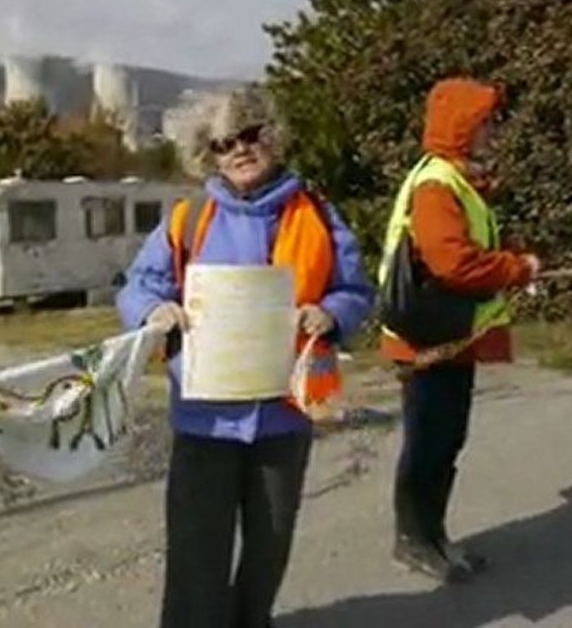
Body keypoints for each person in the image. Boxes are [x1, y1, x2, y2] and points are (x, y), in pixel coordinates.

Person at [117, 117, 374, 628]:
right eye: (223, 143)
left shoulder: (318, 213)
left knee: (269, 546)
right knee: (196, 552)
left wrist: (332, 314)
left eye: (251, 135)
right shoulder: (189, 217)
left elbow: (355, 290)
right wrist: (152, 311)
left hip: (287, 413)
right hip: (204, 419)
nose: (239, 149)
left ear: (273, 138)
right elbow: (139, 285)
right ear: (209, 153)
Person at [379, 78, 540, 583]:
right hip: (429, 338)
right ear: (461, 127)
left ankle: (432, 535)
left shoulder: (451, 179)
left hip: (445, 335)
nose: (493, 131)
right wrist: (516, 268)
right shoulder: (437, 185)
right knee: (430, 442)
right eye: (485, 122)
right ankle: (415, 539)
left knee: (444, 440)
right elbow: (454, 264)